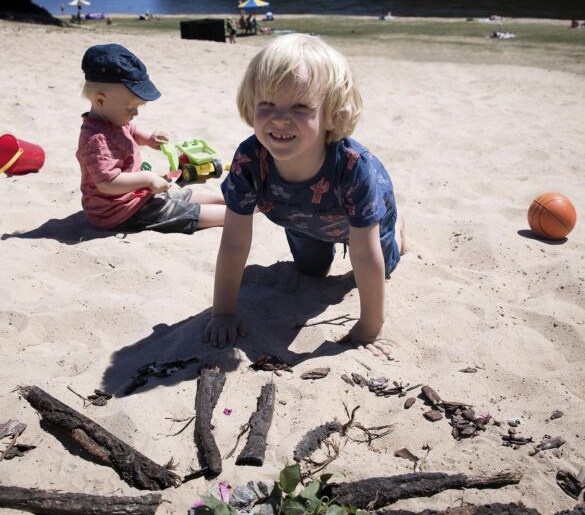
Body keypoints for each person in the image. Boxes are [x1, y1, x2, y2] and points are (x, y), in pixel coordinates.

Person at [203, 34, 405, 356]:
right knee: (310, 272)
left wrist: (370, 325)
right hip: (301, 221)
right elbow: (234, 242)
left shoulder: (354, 168)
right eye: (266, 104)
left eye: (300, 106)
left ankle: (398, 230)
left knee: (381, 264)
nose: (280, 118)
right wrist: (224, 313)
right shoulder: (248, 161)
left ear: (331, 114)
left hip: (361, 220)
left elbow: (365, 257)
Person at [76, 44, 225, 234]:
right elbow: (108, 183)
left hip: (137, 196)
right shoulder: (95, 140)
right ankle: (234, 215)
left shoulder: (114, 119)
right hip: (119, 212)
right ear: (100, 100)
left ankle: (230, 200)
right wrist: (147, 178)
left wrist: (149, 139)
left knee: (187, 194)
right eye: (131, 109)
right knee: (186, 212)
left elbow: (131, 130)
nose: (136, 113)